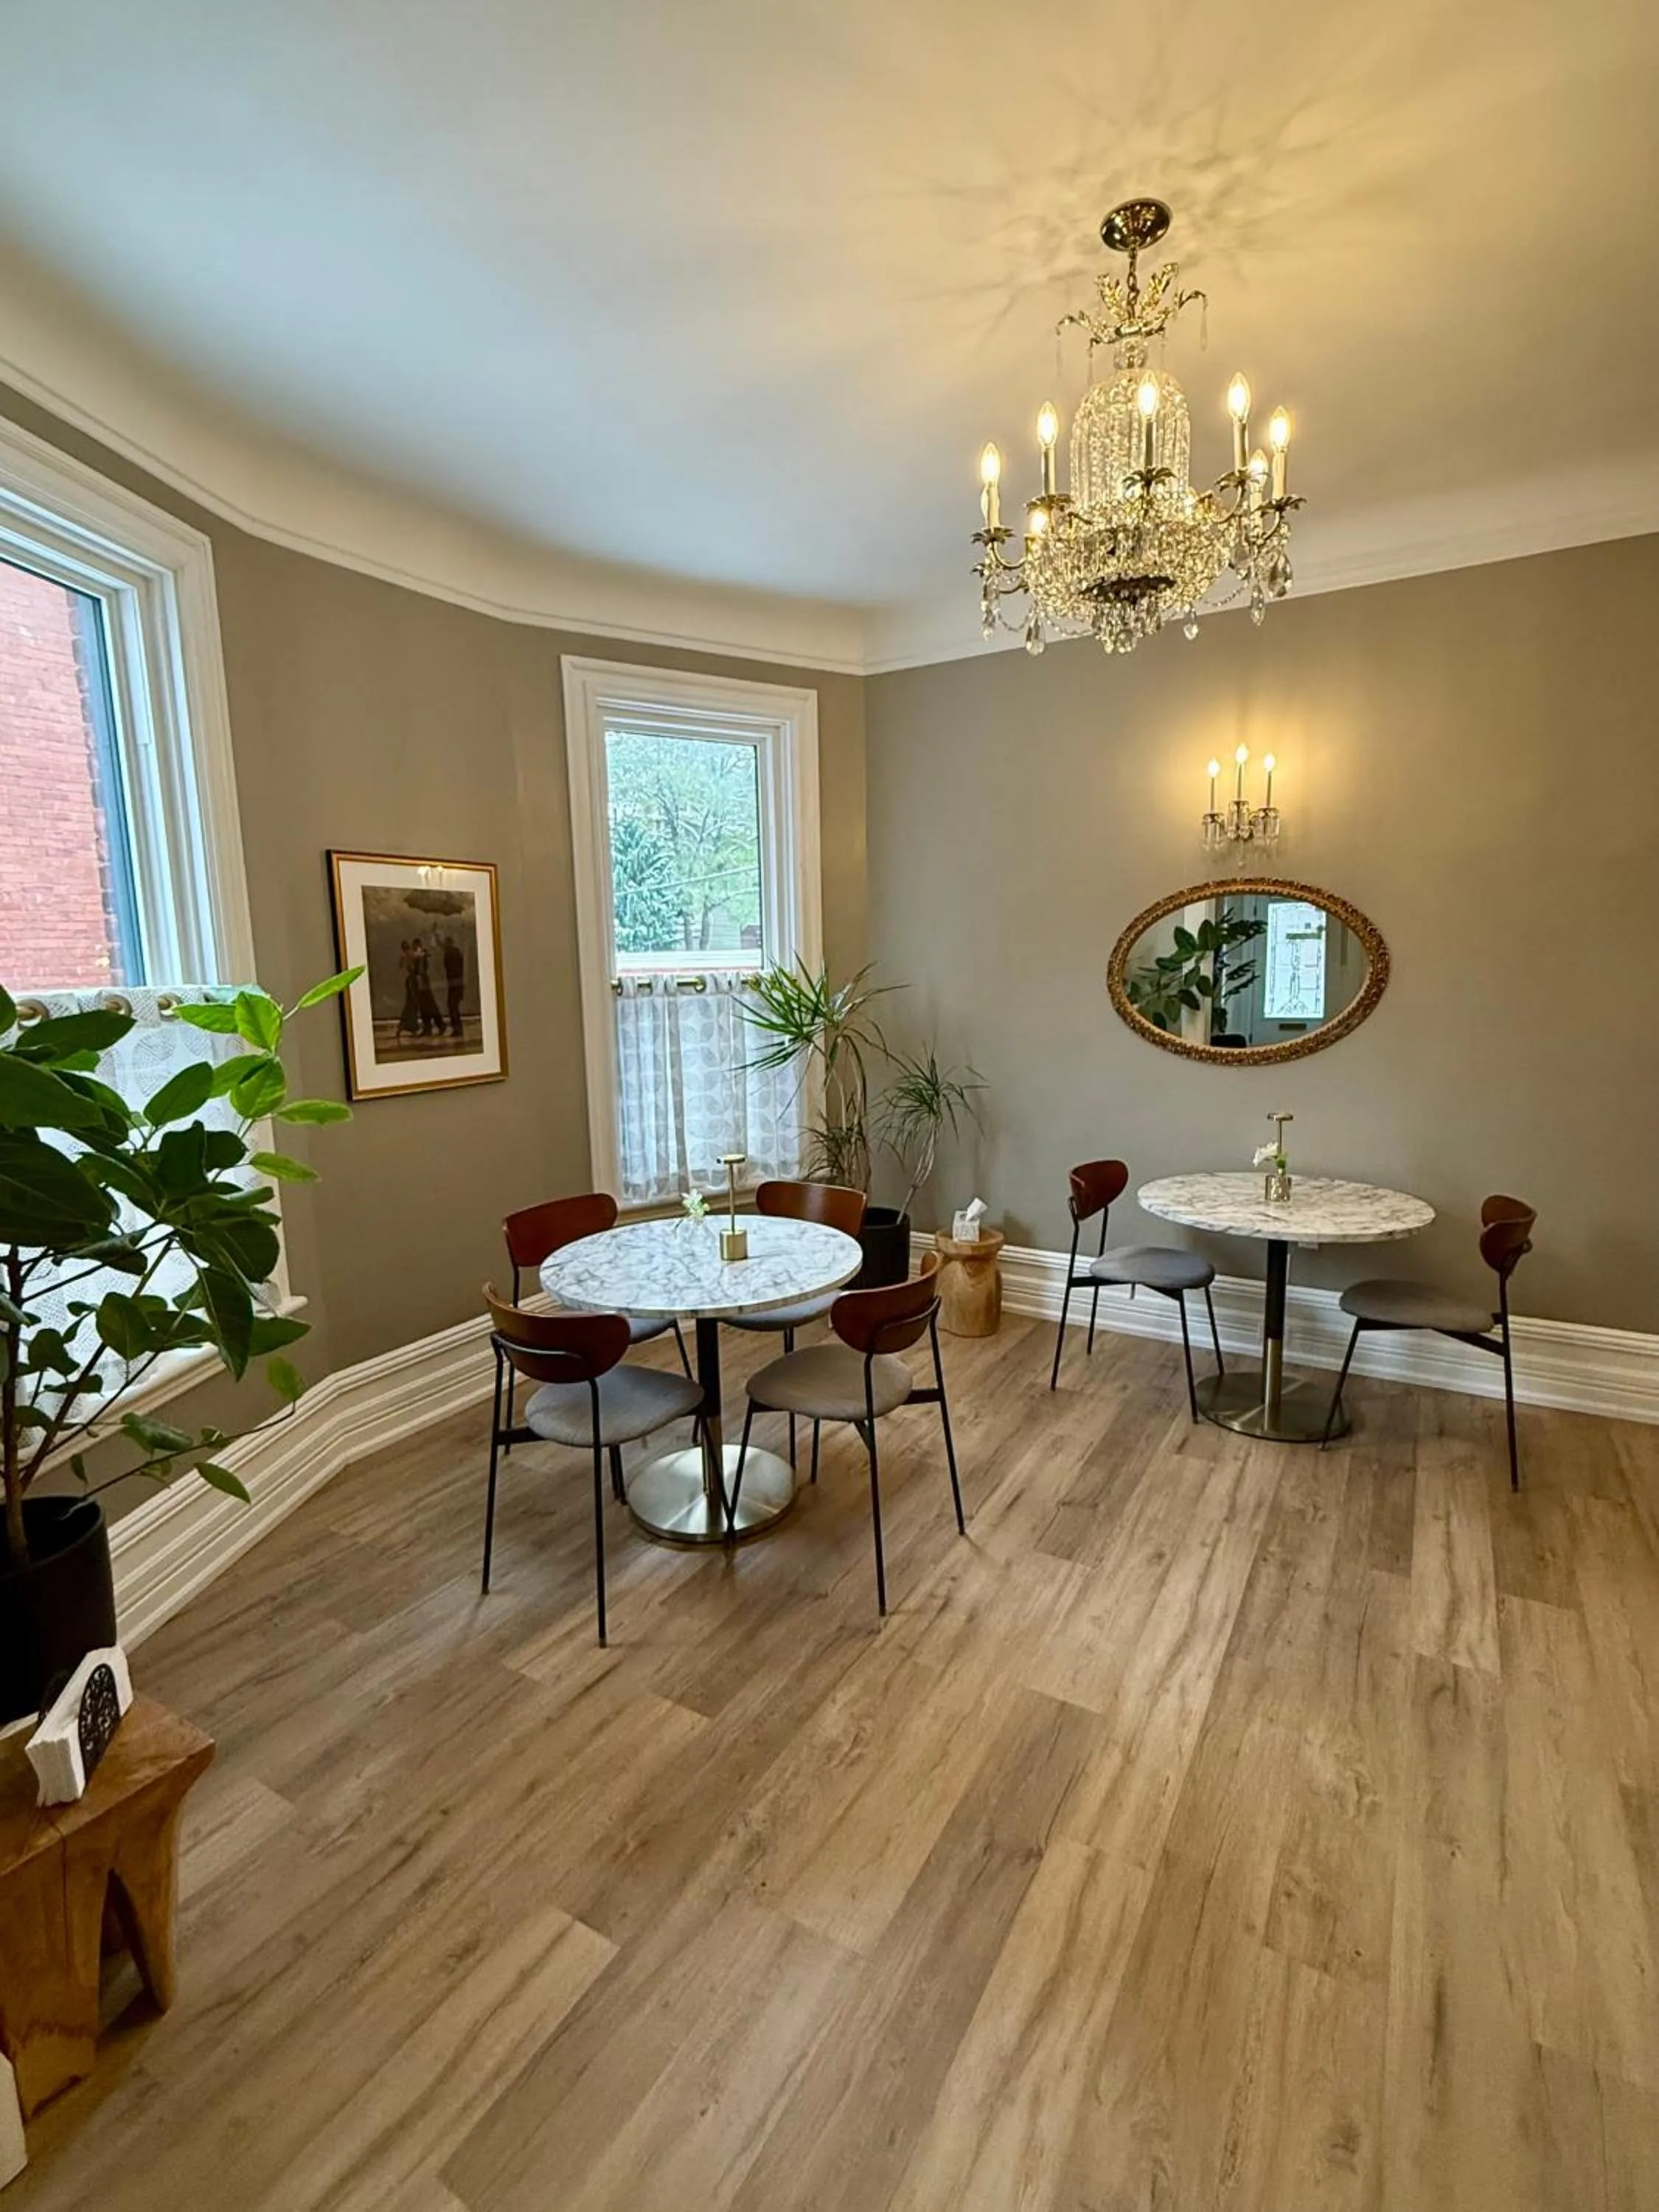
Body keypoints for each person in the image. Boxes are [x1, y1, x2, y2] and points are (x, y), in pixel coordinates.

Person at [413, 938, 445, 1037]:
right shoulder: (422, 955)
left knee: (427, 1006)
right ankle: (432, 1026)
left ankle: (434, 1026)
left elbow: (421, 970)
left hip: (422, 983)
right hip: (423, 982)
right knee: (427, 1006)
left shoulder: (420, 956)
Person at [441, 932, 466, 1037]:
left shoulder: (449, 953)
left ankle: (457, 1028)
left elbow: (448, 968)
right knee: (454, 1006)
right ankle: (458, 1028)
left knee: (452, 1006)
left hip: (453, 982)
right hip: (459, 982)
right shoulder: (457, 952)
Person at [396, 941, 422, 1040]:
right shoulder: (411, 954)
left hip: (410, 980)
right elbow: (419, 956)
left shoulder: (404, 956)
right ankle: (412, 1027)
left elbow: (401, 966)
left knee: (410, 1004)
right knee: (413, 1004)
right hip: (413, 980)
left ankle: (405, 1027)